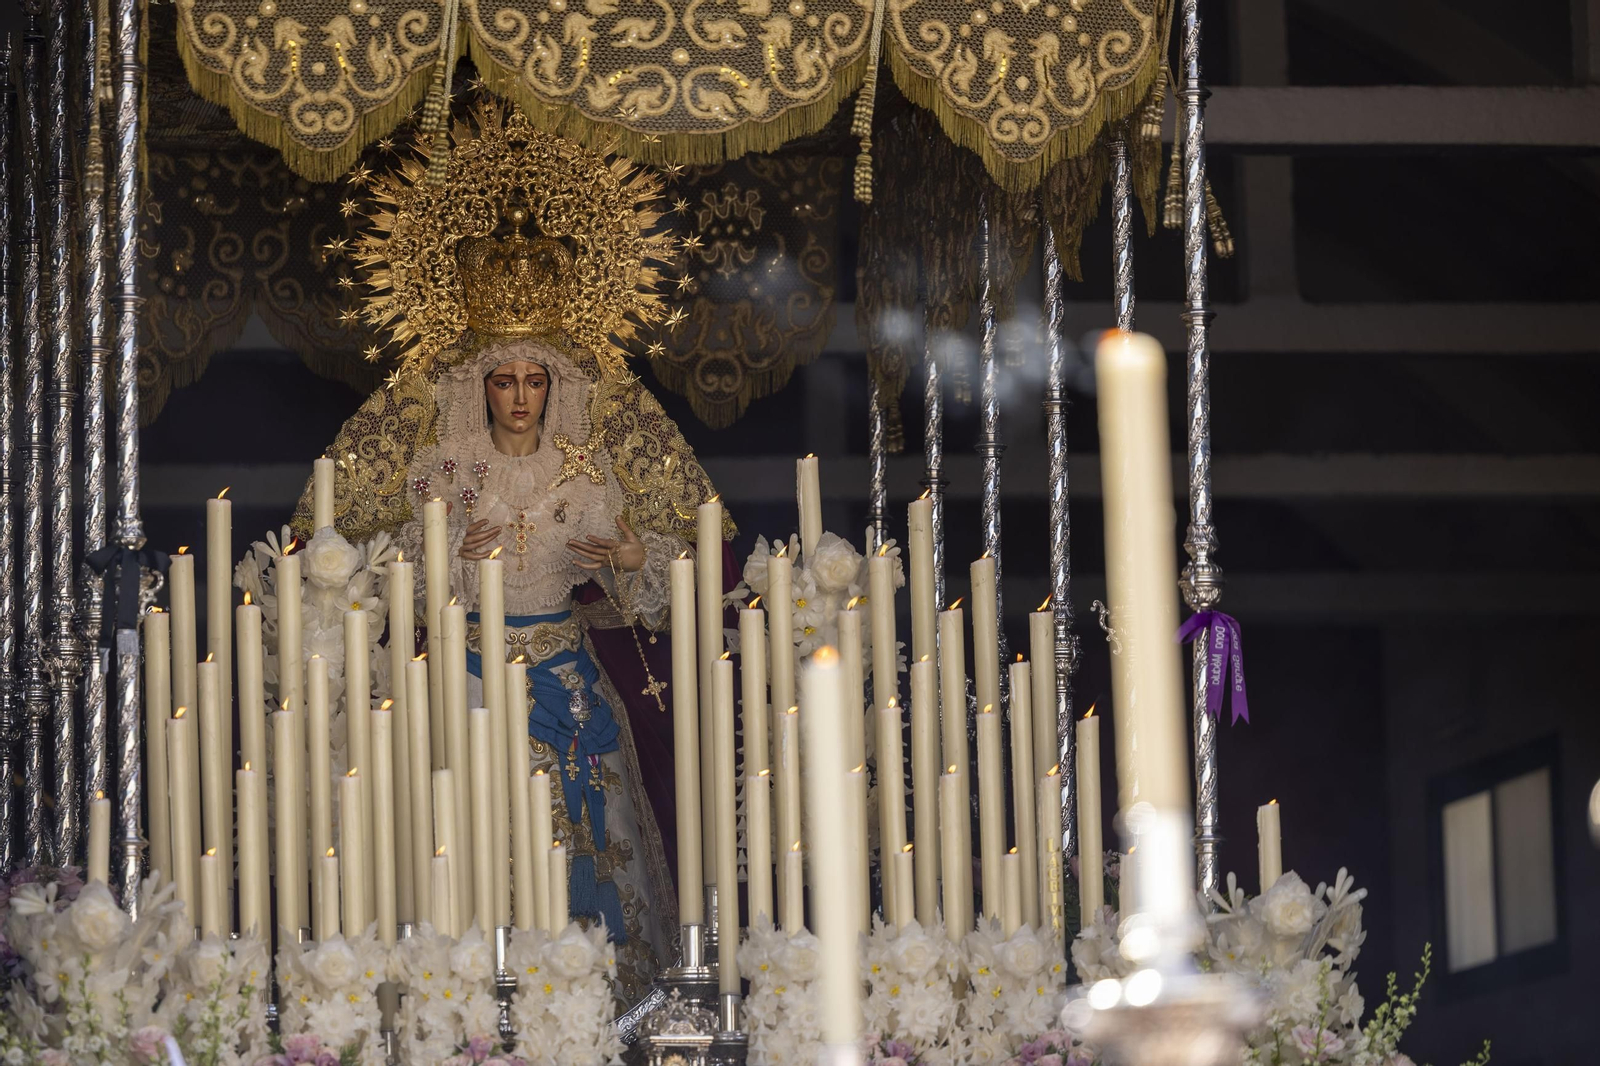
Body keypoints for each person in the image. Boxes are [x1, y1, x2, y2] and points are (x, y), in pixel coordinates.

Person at [289, 105, 733, 998]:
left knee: (591, 820)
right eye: (504, 379)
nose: (521, 397)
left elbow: (639, 582)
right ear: (478, 385)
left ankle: (611, 992)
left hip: (569, 672)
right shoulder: (441, 470)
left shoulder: (589, 472)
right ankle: (487, 991)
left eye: (535, 380)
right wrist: (442, 547)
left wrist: (629, 556)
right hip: (476, 679)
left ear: (554, 385)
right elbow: (387, 581)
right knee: (484, 826)